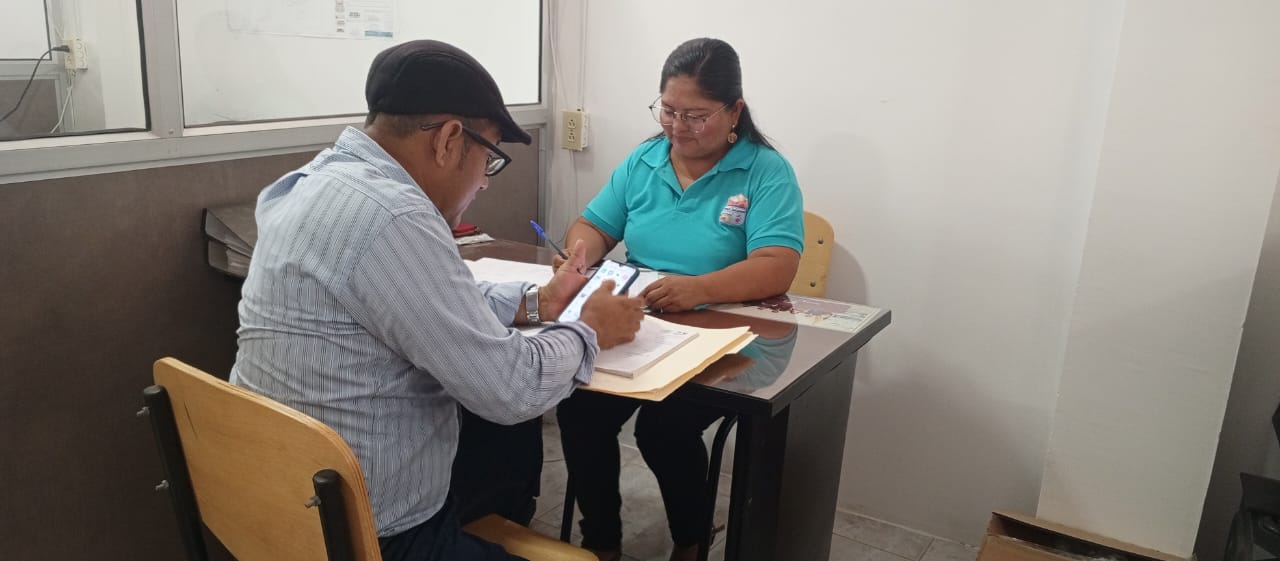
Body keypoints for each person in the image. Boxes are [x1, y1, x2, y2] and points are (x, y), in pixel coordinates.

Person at [229, 39, 644, 561]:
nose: (484, 184)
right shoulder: (394, 215)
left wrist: (539, 302)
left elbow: (436, 299)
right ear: (449, 139)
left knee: (499, 448)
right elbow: (512, 388)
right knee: (504, 424)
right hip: (368, 536)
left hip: (269, 502)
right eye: (489, 160)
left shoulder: (306, 185)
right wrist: (590, 328)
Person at [555, 38, 805, 561]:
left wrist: (699, 288)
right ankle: (601, 540)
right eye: (668, 110)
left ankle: (691, 537)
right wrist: (579, 257)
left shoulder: (764, 171)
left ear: (733, 110)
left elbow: (777, 264)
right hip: (646, 323)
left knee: (663, 429)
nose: (677, 126)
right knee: (578, 406)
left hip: (727, 337)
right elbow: (594, 225)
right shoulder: (645, 160)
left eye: (695, 115)